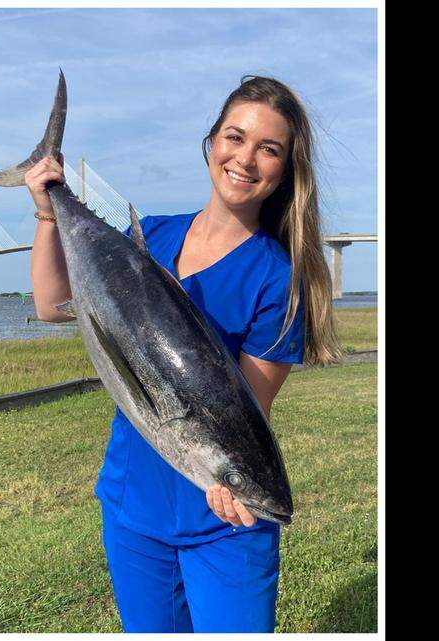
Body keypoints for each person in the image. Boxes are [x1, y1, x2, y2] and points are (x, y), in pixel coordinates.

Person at [26, 76, 341, 633]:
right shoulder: (149, 234)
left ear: (287, 168)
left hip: (225, 523)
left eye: (268, 149)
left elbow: (240, 418)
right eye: (234, 137)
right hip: (132, 506)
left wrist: (237, 487)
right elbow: (54, 306)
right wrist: (48, 210)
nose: (245, 159)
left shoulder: (279, 281)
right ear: (211, 142)